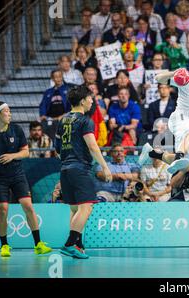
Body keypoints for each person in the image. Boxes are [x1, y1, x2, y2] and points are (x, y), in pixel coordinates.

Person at [0, 102, 52, 257]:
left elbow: (26, 152)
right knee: (2, 210)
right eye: (6, 111)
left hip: (17, 175)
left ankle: (38, 244)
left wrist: (12, 156)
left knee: (28, 205)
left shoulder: (16, 129)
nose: (10, 114)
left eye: (10, 111)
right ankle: (4, 246)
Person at [55, 85, 113, 259]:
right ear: (82, 101)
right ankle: (70, 244)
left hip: (65, 169)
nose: (92, 101)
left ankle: (78, 245)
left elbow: (57, 149)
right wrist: (105, 167)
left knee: (75, 209)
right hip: (80, 169)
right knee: (86, 208)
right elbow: (92, 145)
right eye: (90, 98)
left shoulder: (62, 120)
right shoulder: (85, 120)